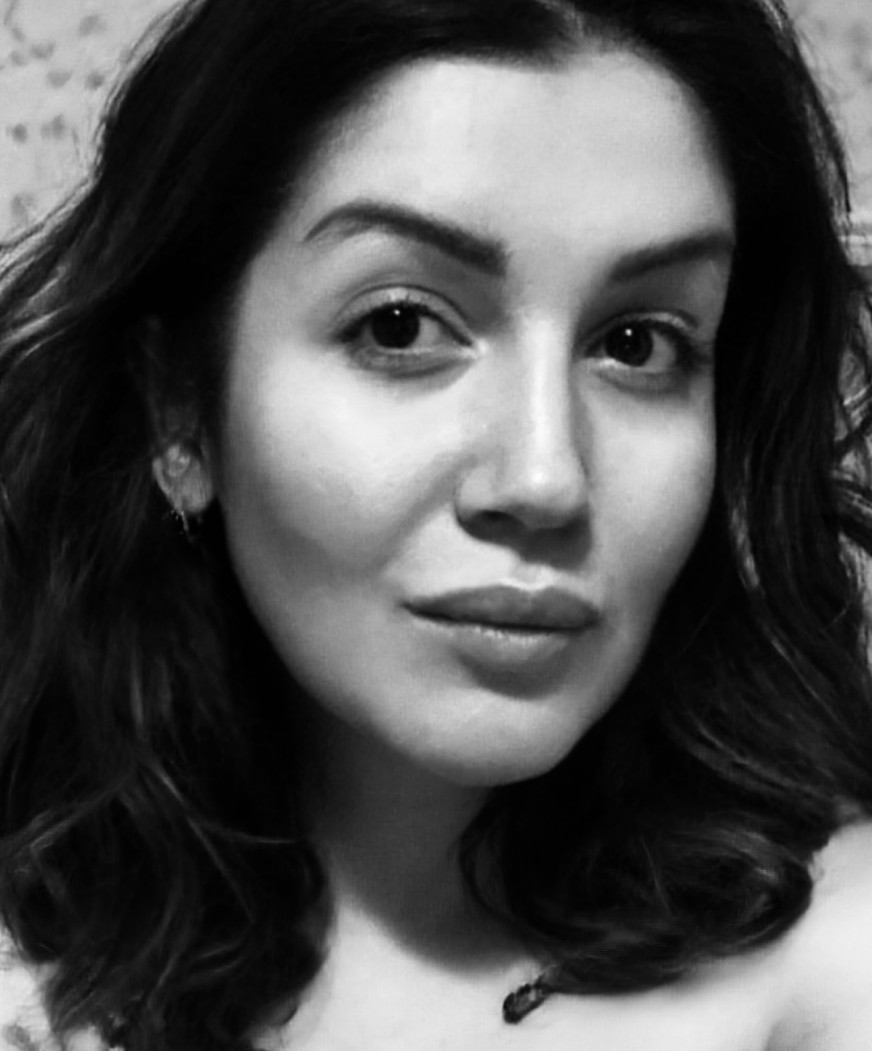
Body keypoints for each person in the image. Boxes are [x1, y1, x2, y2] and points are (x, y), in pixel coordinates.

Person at [1, 0, 872, 1048]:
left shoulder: (836, 960)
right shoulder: (34, 970)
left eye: (637, 344)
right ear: (178, 407)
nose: (544, 478)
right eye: (401, 326)